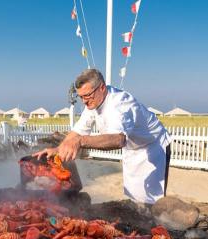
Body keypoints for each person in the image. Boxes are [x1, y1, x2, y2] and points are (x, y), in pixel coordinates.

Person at [34, 69, 171, 204]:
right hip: (133, 148)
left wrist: (80, 142)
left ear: (102, 88)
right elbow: (78, 131)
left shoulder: (119, 105)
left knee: (153, 200)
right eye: (80, 97)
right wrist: (58, 149)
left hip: (154, 146)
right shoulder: (93, 102)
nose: (84, 101)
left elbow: (118, 139)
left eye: (87, 95)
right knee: (135, 196)